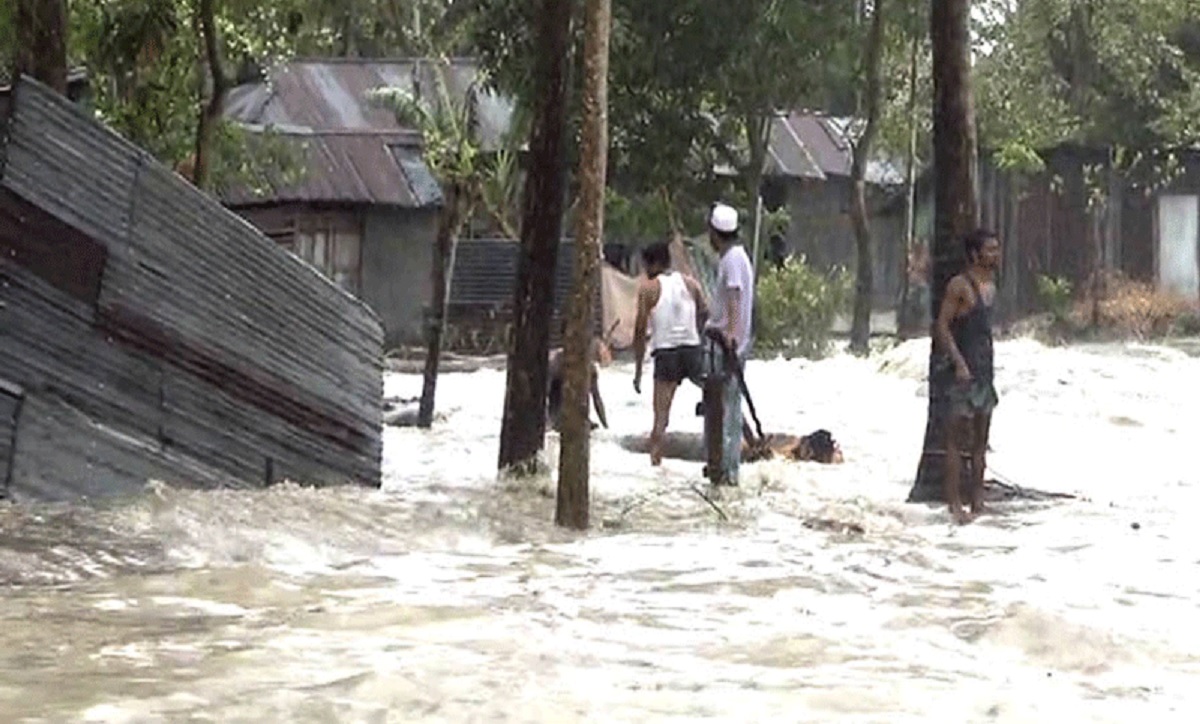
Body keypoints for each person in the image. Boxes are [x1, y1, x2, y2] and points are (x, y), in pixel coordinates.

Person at [935, 228, 1002, 524]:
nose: (995, 255)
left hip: (985, 373)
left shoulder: (991, 285)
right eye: (990, 250)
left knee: (980, 442)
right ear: (974, 254)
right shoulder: (959, 286)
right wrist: (959, 363)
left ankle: (977, 499)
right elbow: (942, 326)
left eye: (997, 249)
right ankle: (954, 503)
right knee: (955, 441)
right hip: (961, 374)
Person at [632, 241, 709, 465]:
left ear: (653, 263)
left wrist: (638, 371)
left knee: (660, 422)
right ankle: (748, 439)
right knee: (719, 398)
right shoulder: (690, 283)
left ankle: (656, 468)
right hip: (692, 349)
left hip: (666, 355)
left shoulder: (648, 288)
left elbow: (639, 331)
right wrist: (699, 338)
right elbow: (705, 312)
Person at [701, 202, 755, 486]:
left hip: (725, 347)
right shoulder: (737, 257)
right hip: (727, 345)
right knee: (725, 408)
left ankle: (725, 471)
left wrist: (731, 337)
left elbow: (734, 298)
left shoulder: (732, 260)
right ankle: (722, 468)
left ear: (715, 232)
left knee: (724, 411)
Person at [546, 337, 609, 433]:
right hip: (556, 400)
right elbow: (546, 391)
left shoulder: (590, 369)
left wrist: (606, 425)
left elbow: (596, 398)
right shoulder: (557, 361)